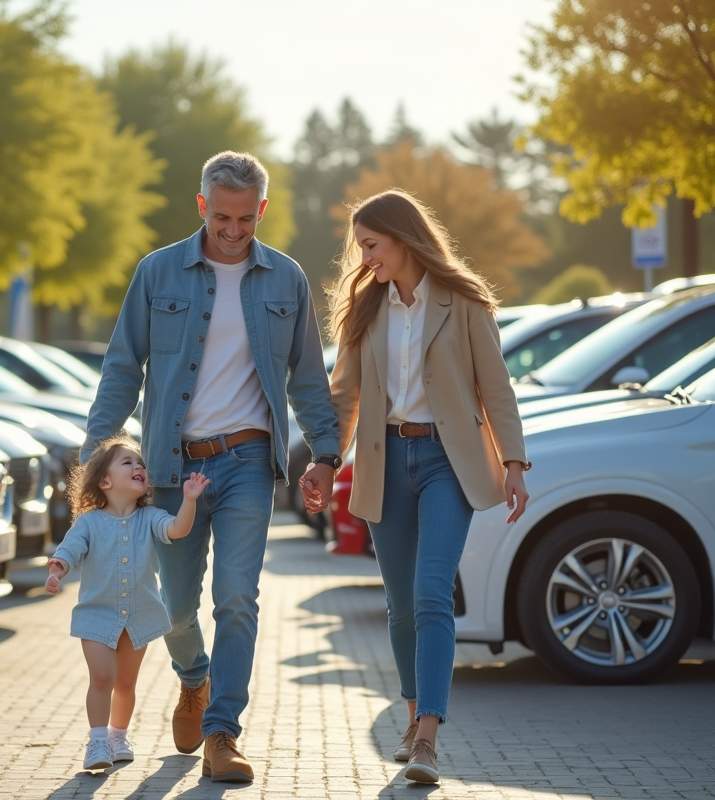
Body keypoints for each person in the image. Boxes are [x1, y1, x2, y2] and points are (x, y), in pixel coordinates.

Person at [84, 151, 342, 783]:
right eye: (222, 217)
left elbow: (309, 376)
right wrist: (96, 460)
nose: (233, 231)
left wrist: (327, 456)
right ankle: (193, 679)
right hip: (173, 467)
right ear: (202, 206)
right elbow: (122, 369)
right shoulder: (157, 273)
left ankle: (223, 732)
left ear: (262, 210)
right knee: (173, 607)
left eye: (246, 219)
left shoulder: (286, 279)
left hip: (249, 459)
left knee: (236, 596)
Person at [318, 189, 530, 784]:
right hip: (386, 461)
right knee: (402, 604)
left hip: (447, 460)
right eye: (360, 247)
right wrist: (326, 460)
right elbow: (346, 395)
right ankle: (413, 723)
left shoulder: (463, 301)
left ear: (403, 239)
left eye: (371, 245)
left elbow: (497, 388)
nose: (364, 258)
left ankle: (430, 738)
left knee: (433, 591)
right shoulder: (366, 306)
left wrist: (514, 462)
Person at [45, 433, 210, 772]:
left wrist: (190, 500)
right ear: (104, 480)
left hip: (138, 615)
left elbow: (178, 530)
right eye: (128, 462)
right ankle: (97, 740)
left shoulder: (150, 518)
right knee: (102, 677)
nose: (139, 467)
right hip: (96, 615)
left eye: (141, 464)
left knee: (125, 683)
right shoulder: (89, 521)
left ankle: (118, 735)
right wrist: (56, 570)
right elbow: (69, 549)